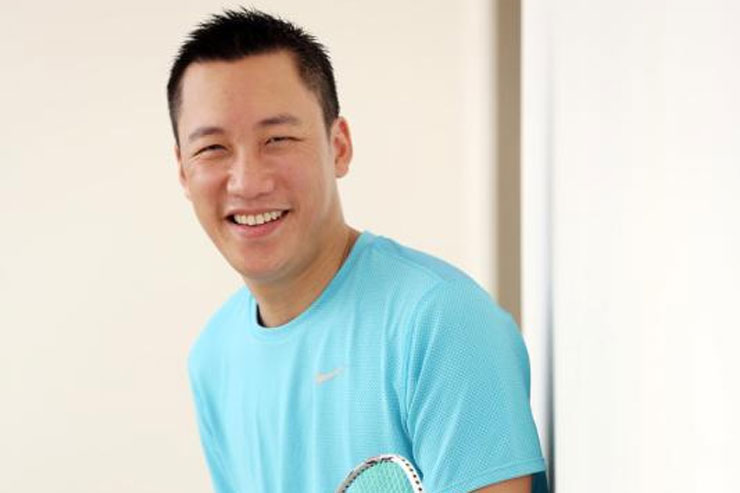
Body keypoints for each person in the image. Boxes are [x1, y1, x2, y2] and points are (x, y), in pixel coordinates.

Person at [167, 8, 548, 493]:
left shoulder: (441, 322)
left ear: (339, 146)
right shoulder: (213, 358)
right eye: (212, 148)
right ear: (183, 171)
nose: (248, 181)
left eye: (277, 139)